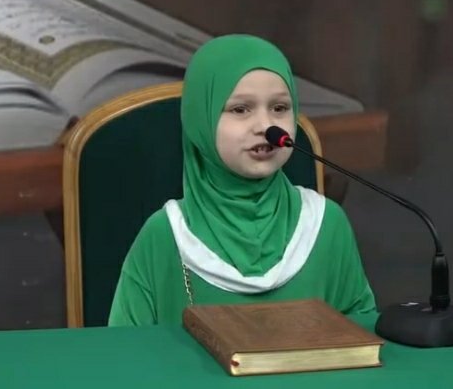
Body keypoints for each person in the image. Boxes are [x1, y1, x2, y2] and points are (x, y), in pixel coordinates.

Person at [108, 34, 376, 326]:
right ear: (201, 120)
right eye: (240, 109)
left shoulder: (326, 224)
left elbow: (362, 334)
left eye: (279, 108)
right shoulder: (164, 235)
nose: (266, 126)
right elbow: (125, 346)